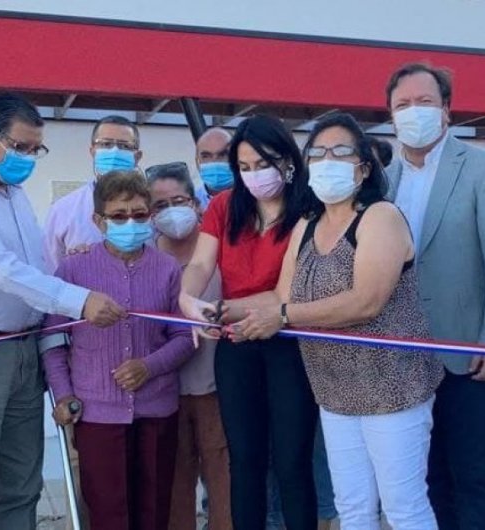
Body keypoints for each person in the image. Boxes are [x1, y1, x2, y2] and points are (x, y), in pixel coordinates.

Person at [0, 93, 126, 530]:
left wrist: (76, 272)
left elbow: (36, 265)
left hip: (21, 350)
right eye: (20, 147)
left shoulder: (12, 193)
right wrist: (78, 299)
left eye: (36, 149)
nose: (28, 158)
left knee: (22, 487)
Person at [234, 112, 444, 529]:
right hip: (334, 391)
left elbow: (366, 301)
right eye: (318, 153)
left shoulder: (380, 216)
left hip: (391, 388)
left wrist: (282, 316)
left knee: (403, 508)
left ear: (363, 167)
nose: (327, 161)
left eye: (341, 152)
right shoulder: (307, 225)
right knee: (352, 508)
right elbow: (281, 295)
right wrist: (223, 310)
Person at [383, 63, 485, 530]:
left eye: (424, 102)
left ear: (446, 109)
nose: (413, 112)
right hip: (403, 361)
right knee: (426, 482)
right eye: (402, 105)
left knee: (475, 480)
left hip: (470, 356)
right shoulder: (382, 180)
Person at [179, 115, 318, 530]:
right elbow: (200, 264)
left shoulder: (309, 208)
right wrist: (188, 300)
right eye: (244, 166)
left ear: (288, 160)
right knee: (244, 460)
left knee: (293, 461)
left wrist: (221, 308)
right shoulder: (224, 206)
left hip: (290, 343)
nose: (254, 174)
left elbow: (283, 295)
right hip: (236, 345)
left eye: (263, 163)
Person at [43, 170, 194, 530]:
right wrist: (63, 395)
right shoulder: (73, 269)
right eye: (119, 216)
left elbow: (185, 335)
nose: (130, 223)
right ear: (99, 221)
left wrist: (149, 366)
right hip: (96, 414)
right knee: (107, 513)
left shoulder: (167, 268)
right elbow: (52, 339)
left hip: (157, 410)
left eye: (139, 215)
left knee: (153, 512)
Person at [144, 162, 232, 530]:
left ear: (196, 204)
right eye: (160, 205)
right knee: (174, 490)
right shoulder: (144, 258)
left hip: (218, 389)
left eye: (179, 201)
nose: (171, 211)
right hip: (165, 394)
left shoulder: (220, 252)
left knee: (225, 485)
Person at [44, 115, 143, 272]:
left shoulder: (152, 208)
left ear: (137, 156)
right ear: (93, 151)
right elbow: (51, 269)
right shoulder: (63, 210)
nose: (114, 152)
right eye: (106, 144)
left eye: (125, 146)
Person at [194, 127, 235, 209]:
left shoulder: (254, 198)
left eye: (223, 155)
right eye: (206, 156)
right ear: (197, 162)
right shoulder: (192, 203)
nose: (214, 162)